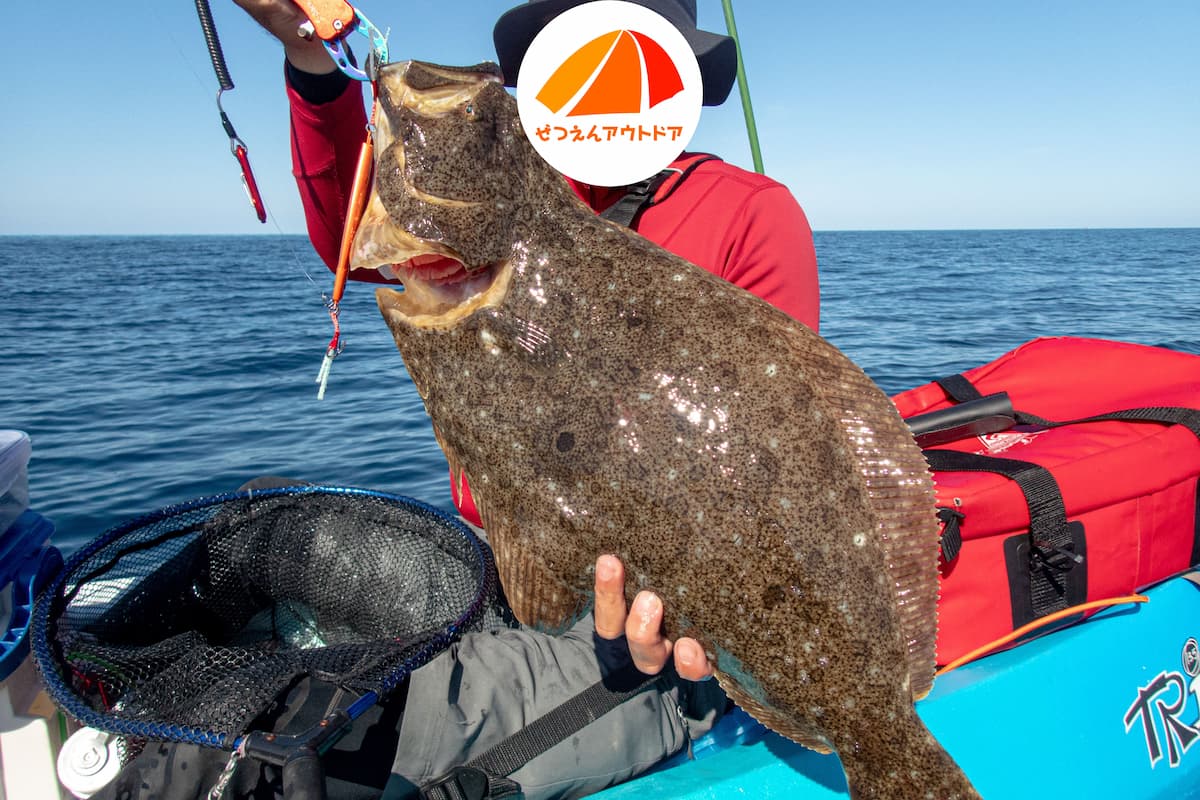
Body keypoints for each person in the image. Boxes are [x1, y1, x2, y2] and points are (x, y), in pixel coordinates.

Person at [125, 2, 817, 798]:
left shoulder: (749, 213)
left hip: (647, 637)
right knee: (258, 532)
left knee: (327, 744)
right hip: (491, 560)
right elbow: (353, 237)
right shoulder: (499, 193)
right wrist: (313, 59)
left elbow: (766, 458)